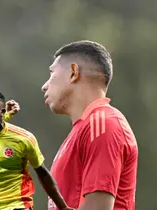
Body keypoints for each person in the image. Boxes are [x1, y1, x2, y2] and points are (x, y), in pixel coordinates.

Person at [41, 40, 138, 210]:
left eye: (51, 73)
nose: (44, 86)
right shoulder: (83, 128)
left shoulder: (102, 124)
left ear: (73, 72)